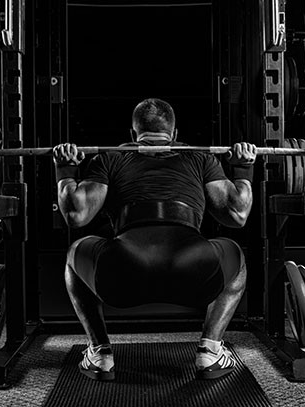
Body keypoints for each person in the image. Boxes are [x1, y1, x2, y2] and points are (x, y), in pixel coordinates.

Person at [52, 98, 255, 381]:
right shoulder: (200, 158)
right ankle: (210, 352)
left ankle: (100, 354)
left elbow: (76, 215)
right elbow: (237, 213)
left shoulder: (111, 157)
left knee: (75, 253)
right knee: (235, 256)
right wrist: (243, 168)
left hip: (124, 274)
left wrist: (65, 170)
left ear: (133, 134)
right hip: (192, 273)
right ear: (173, 133)